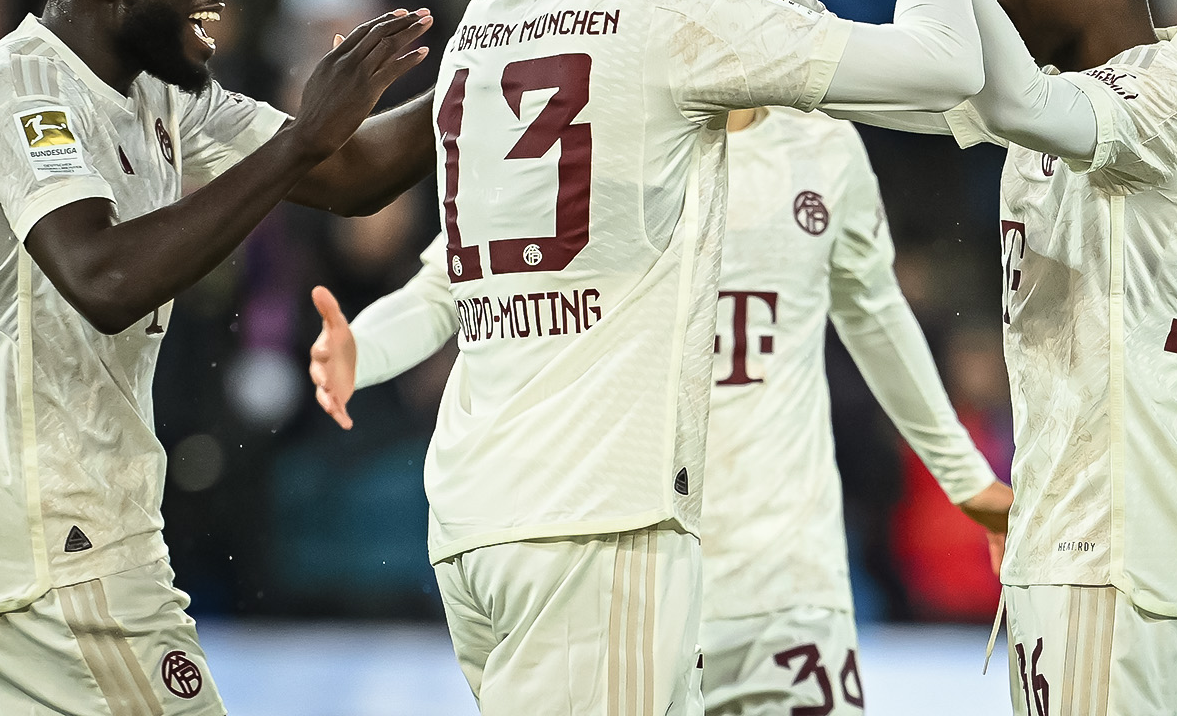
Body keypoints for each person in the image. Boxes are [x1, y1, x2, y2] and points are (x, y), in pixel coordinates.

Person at [387, 0, 990, 714]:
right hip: (600, 527)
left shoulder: (490, 13)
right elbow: (945, 73)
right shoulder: (671, 18)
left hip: (475, 520)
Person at [0, 0, 434, 716]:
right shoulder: (23, 89)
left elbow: (354, 175)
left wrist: (508, 54)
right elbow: (102, 278)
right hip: (57, 550)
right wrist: (297, 146)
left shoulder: (167, 94)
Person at [307, 97, 1011, 715]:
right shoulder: (592, 133)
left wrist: (966, 479)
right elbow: (452, 282)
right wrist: (361, 349)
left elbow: (876, 314)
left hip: (787, 579)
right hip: (635, 584)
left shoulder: (822, 147)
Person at [838, 0, 1177, 713]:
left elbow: (1020, 98)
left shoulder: (1166, 92)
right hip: (1074, 524)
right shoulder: (1052, 102)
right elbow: (854, 79)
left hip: (1128, 531)